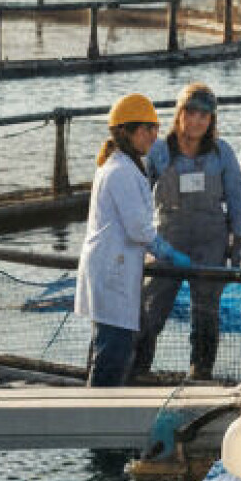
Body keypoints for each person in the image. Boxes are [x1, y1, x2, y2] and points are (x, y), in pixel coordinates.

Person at [74, 92, 193, 387]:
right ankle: (96, 413)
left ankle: (94, 407)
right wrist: (168, 252)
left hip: (112, 268)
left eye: (154, 128)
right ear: (129, 132)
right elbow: (139, 229)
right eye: (148, 129)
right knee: (112, 351)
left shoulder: (122, 166)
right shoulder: (120, 172)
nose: (154, 135)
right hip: (113, 272)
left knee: (107, 346)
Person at [132, 83, 241, 380]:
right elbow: (138, 197)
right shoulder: (159, 150)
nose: (196, 121)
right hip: (168, 241)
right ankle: (138, 369)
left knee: (206, 311)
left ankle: (201, 371)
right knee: (152, 308)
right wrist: (141, 242)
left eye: (204, 115)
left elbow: (237, 199)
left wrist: (239, 242)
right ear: (179, 114)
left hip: (211, 242)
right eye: (191, 112)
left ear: (212, 120)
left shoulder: (222, 152)